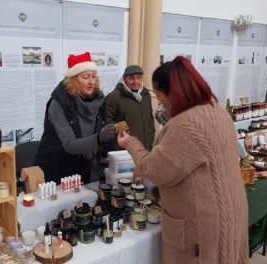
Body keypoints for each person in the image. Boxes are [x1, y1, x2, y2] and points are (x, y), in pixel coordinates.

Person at [117, 56, 248, 264]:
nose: (159, 101)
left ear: (175, 93)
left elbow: (154, 169)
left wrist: (130, 143)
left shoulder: (185, 126)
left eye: (159, 95)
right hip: (229, 212)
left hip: (203, 228)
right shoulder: (218, 111)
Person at [34, 52, 116, 184]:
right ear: (73, 80)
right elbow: (70, 145)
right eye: (85, 77)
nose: (91, 82)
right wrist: (100, 138)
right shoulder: (58, 103)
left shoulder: (98, 101)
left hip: (82, 168)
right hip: (55, 168)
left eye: (94, 76)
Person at [105, 65, 155, 151]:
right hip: (125, 147)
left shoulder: (146, 95)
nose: (135, 81)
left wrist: (151, 133)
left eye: (138, 78)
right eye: (131, 78)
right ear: (125, 79)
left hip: (146, 145)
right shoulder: (114, 96)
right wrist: (121, 133)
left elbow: (150, 117)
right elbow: (108, 119)